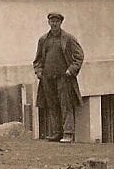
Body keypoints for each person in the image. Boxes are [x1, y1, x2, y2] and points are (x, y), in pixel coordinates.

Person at [33, 12, 84, 143]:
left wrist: (71, 70)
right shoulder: (43, 40)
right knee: (52, 105)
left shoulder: (68, 39)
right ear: (48, 22)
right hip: (47, 78)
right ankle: (56, 133)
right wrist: (39, 71)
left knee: (65, 105)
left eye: (57, 21)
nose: (54, 24)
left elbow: (79, 56)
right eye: (52, 21)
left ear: (61, 23)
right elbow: (38, 59)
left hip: (64, 78)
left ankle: (68, 133)